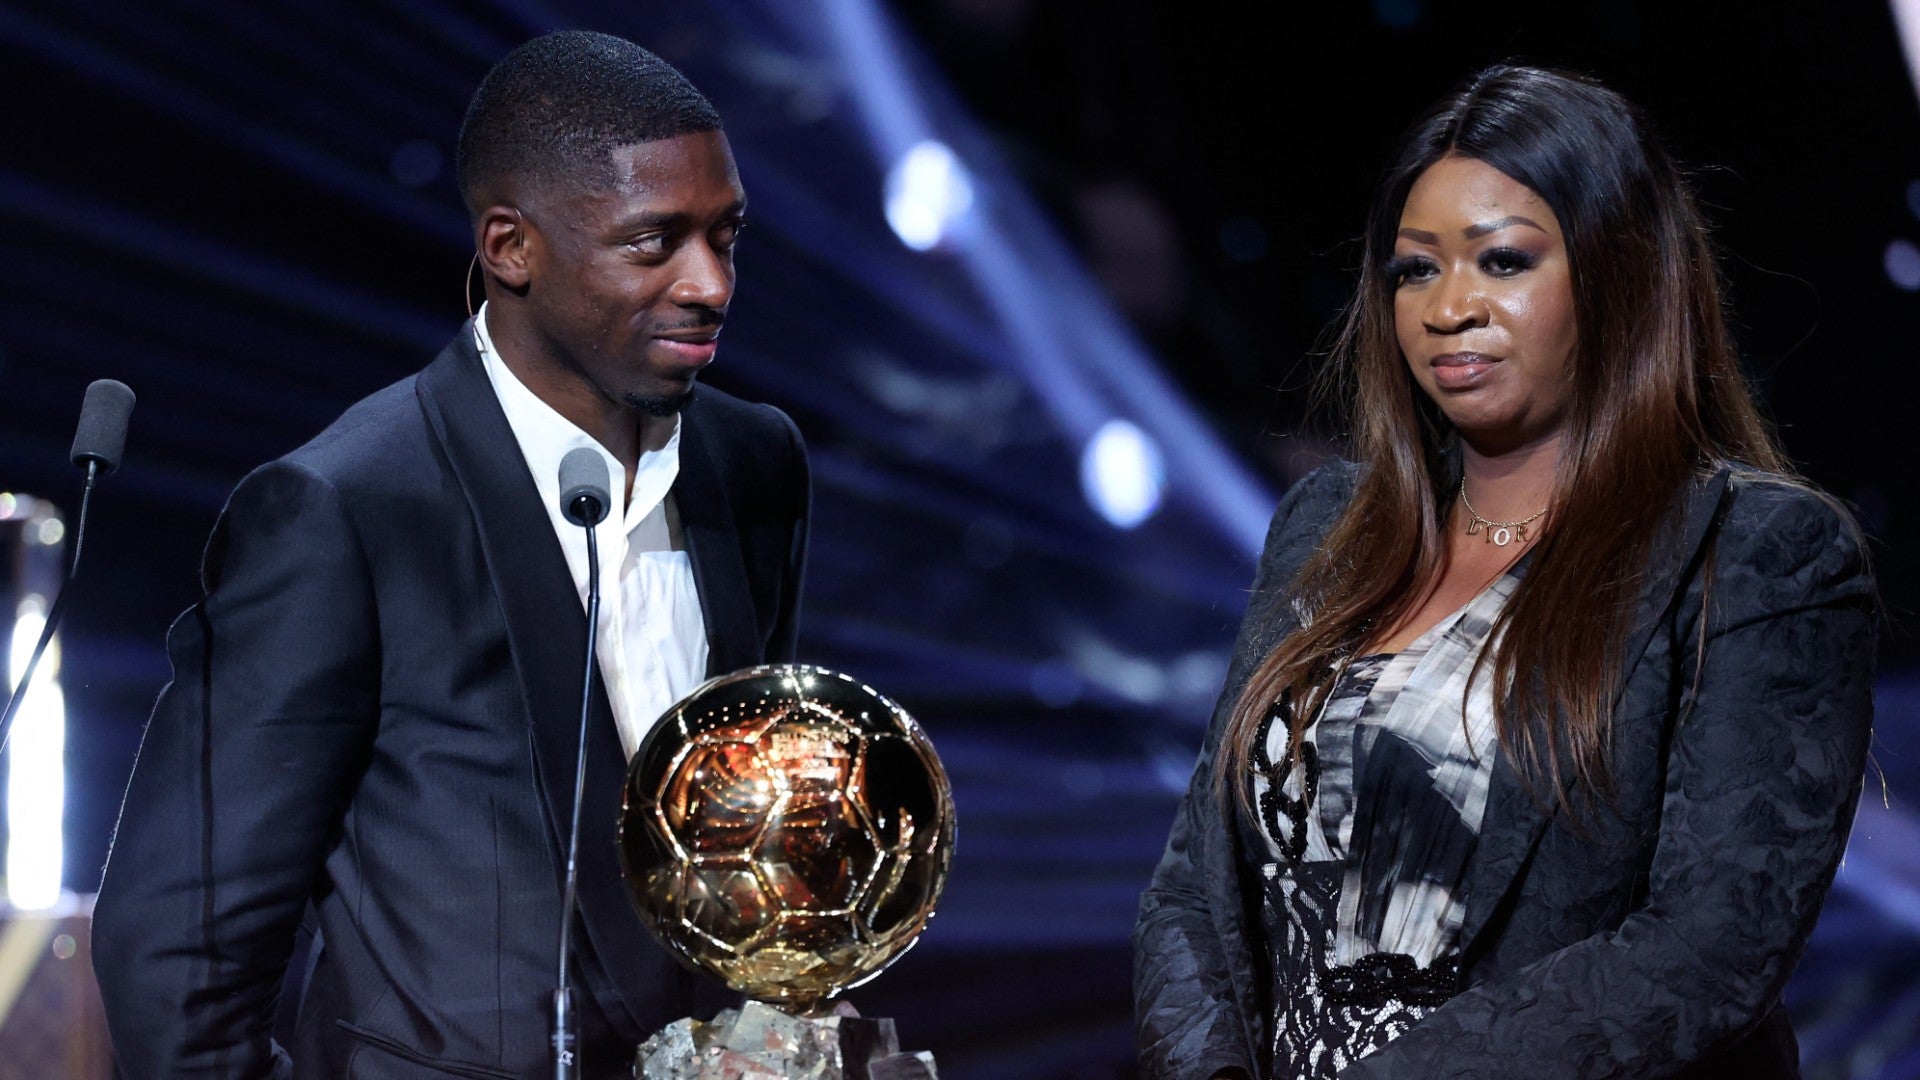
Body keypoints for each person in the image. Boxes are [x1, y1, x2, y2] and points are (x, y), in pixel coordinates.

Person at [1132, 65, 1875, 1080]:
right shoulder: (1329, 525)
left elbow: (1705, 953)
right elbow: (1194, 889)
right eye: (1416, 271)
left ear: (1620, 272)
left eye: (1503, 261)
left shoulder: (1757, 551)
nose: (1450, 309)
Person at [91, 30, 809, 1079]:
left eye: (727, 237)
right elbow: (177, 949)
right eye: (655, 243)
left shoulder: (756, 464)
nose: (710, 284)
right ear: (511, 247)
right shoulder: (345, 508)